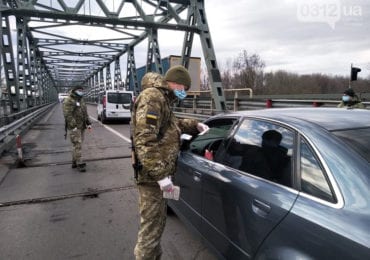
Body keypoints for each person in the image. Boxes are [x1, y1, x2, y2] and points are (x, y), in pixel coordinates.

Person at [131, 66, 209, 260]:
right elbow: (144, 140)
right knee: (150, 232)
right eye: (185, 89)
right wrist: (161, 177)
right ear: (178, 84)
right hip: (152, 179)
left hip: (156, 177)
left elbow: (172, 124)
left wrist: (194, 125)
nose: (185, 93)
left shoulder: (163, 99)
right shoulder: (153, 97)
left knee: (156, 226)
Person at [62, 86, 92, 172]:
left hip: (81, 126)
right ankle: (80, 163)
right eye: (79, 90)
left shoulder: (81, 100)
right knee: (77, 144)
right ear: (74, 91)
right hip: (75, 127)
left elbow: (85, 113)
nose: (81, 92)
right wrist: (73, 126)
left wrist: (88, 122)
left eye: (82, 90)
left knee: (77, 144)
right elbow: (68, 115)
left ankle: (74, 162)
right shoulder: (69, 100)